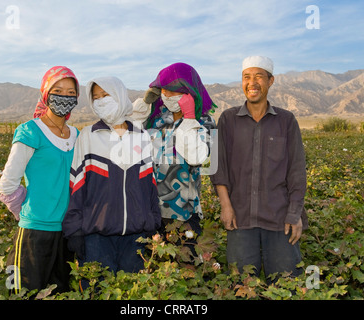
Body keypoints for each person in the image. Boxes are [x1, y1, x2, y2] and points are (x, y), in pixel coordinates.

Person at [210, 56, 307, 281]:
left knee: (286, 285)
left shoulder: (286, 120)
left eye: (259, 77)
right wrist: (226, 206)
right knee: (240, 285)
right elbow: (218, 167)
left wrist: (294, 214)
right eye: (246, 77)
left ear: (270, 81)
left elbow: (297, 171)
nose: (252, 83)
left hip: (280, 219)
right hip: (239, 219)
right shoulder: (227, 119)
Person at [62, 76, 161, 281]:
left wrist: (153, 222)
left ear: (119, 95)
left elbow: (150, 186)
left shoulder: (141, 136)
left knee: (134, 294)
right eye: (96, 98)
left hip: (137, 236)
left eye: (105, 95)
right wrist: (74, 230)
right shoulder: (88, 136)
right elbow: (77, 186)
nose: (100, 101)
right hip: (97, 238)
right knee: (98, 292)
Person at [0, 66, 80, 294]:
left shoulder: (77, 135)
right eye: (58, 90)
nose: (64, 96)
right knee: (22, 292)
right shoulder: (30, 131)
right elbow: (7, 185)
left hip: (67, 232)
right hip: (34, 233)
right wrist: (24, 210)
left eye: (71, 92)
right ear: (45, 93)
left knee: (62, 291)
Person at [131, 62, 217, 253]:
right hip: (150, 209)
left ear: (190, 92)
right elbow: (130, 142)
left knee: (186, 266)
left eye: (175, 91)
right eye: (165, 90)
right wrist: (144, 106)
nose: (168, 96)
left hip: (183, 213)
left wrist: (188, 118)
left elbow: (195, 156)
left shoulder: (205, 122)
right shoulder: (157, 119)